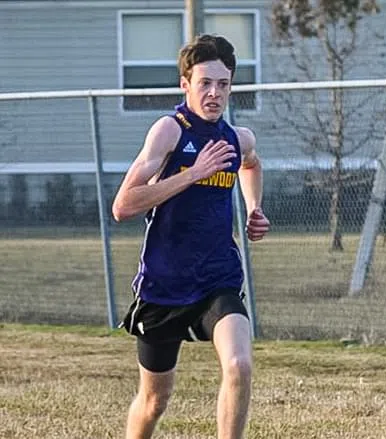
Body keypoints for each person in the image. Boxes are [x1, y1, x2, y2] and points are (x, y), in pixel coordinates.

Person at [112, 34, 270, 439]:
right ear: (185, 84)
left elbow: (251, 164)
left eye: (223, 84)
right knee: (154, 401)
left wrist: (254, 208)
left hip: (217, 279)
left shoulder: (237, 138)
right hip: (164, 286)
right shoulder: (169, 131)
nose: (214, 93)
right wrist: (194, 173)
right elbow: (123, 206)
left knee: (239, 364)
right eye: (205, 83)